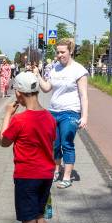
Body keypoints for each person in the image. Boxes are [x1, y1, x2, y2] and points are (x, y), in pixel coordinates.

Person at [0, 71, 57, 223]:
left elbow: (3, 141)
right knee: (40, 215)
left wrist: (7, 115)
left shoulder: (20, 120)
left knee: (28, 219)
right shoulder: (49, 117)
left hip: (27, 174)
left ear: (19, 93)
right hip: (46, 174)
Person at [34, 38, 89, 189]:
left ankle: (66, 177)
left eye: (62, 52)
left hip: (70, 112)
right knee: (54, 144)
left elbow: (84, 95)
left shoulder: (79, 70)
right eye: (57, 52)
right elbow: (46, 88)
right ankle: (56, 171)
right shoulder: (55, 68)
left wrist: (84, 116)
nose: (59, 55)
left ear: (70, 51)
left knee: (67, 143)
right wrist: (38, 75)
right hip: (54, 111)